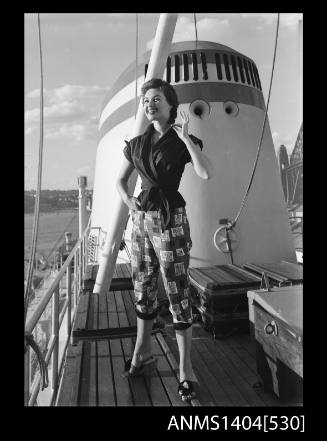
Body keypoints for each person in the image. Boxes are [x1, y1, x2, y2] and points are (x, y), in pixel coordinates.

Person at [116, 78, 212, 402]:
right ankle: (142, 352)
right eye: (146, 100)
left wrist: (186, 138)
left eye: (156, 98)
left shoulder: (182, 140)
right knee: (142, 284)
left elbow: (205, 172)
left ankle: (186, 369)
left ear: (171, 105)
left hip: (171, 218)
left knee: (176, 288)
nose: (150, 103)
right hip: (142, 219)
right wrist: (130, 204)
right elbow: (120, 180)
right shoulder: (137, 142)